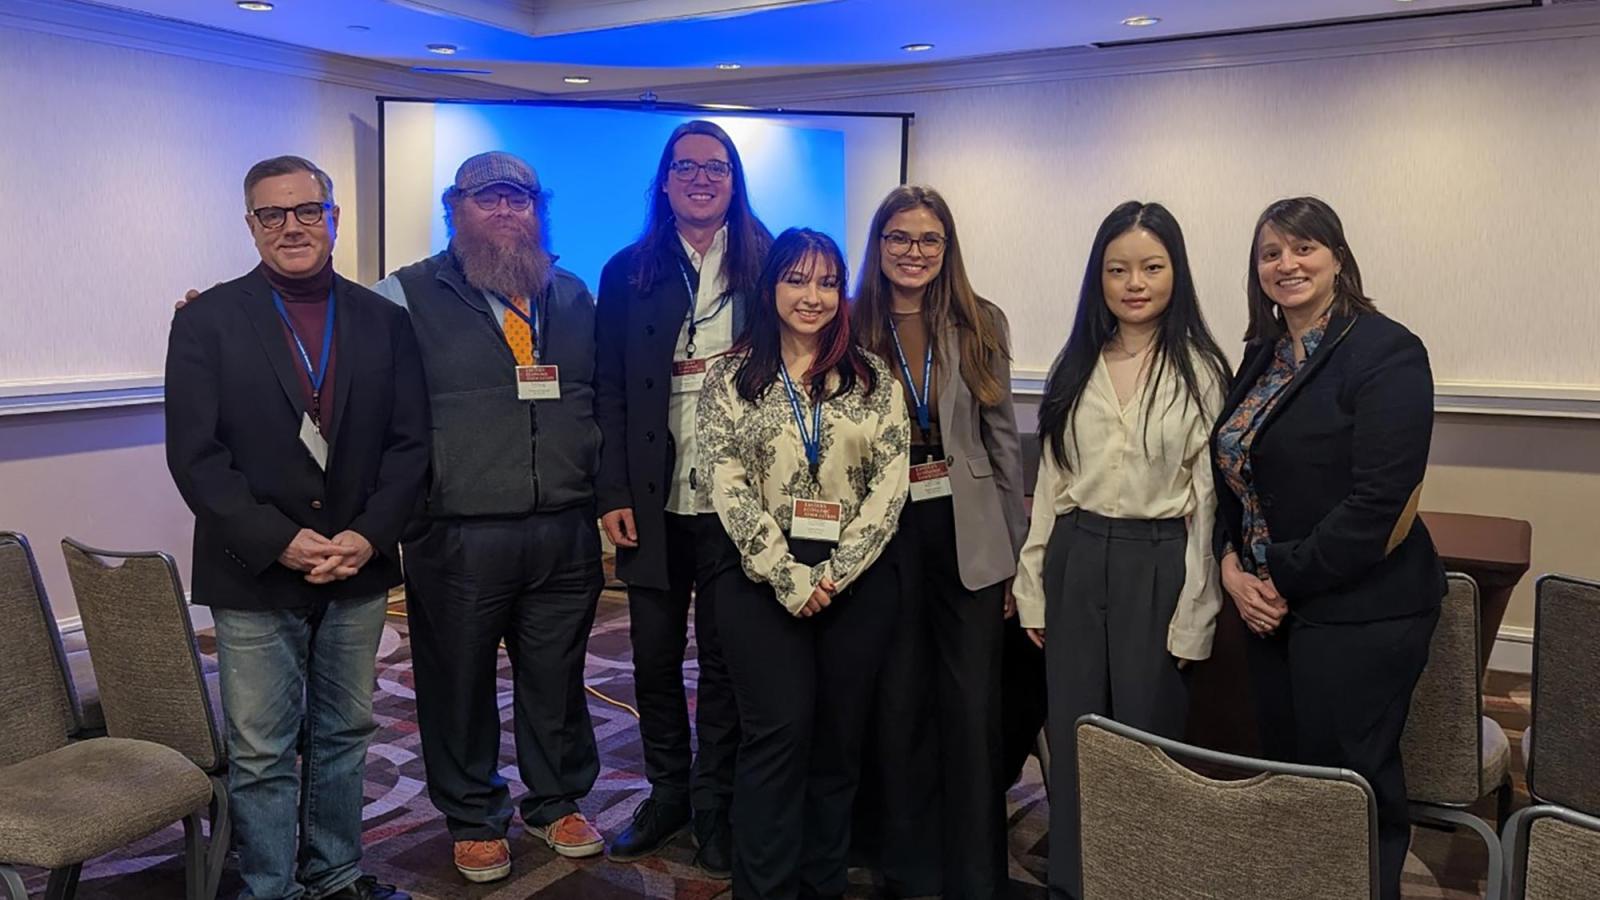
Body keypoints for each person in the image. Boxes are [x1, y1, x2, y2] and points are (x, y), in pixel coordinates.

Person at [165, 155, 427, 900]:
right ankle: (271, 887)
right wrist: (277, 539)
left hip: (358, 563)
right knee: (261, 750)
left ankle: (336, 873)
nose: (292, 227)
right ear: (250, 225)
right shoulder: (205, 321)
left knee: (346, 735)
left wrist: (370, 536)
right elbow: (196, 457)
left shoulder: (385, 321)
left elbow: (412, 446)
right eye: (272, 215)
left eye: (308, 210)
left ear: (334, 218)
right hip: (252, 569)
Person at [371, 152, 607, 881]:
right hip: (457, 530)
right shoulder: (401, 294)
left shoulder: (570, 295)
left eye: (521, 200)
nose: (506, 211)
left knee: (557, 675)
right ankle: (474, 816)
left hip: (563, 527)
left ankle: (557, 798)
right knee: (457, 679)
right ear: (455, 208)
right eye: (488, 199)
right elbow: (356, 386)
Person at [1212, 196, 1444, 900]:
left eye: (1304, 248)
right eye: (1270, 253)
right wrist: (1230, 565)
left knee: (1352, 788)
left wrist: (1277, 576)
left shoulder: (1387, 351)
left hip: (1359, 611)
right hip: (1268, 608)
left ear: (1338, 256)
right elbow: (1235, 480)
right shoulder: (1261, 354)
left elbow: (1377, 503)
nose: (1287, 265)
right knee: (1291, 781)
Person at [1016, 201, 1230, 900]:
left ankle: (1145, 881)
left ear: (1176, 272)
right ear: (1098, 279)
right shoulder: (1077, 363)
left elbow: (1207, 503)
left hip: (1159, 560)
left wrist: (1197, 610)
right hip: (1077, 556)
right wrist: (1033, 584)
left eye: (1151, 267)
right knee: (1076, 737)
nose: (1134, 282)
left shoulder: (1201, 369)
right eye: (1118, 269)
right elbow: (1051, 483)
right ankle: (1076, 885)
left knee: (1146, 740)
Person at [697, 228, 909, 899]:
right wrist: (788, 575)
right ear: (771, 287)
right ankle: (763, 887)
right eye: (796, 279)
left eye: (825, 281)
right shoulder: (729, 377)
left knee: (838, 743)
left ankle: (822, 883)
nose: (811, 296)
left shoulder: (873, 378)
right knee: (778, 733)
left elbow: (890, 486)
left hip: (855, 577)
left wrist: (836, 572)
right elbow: (724, 482)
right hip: (757, 575)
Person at [594, 120, 773, 876]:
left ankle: (717, 803)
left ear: (734, 183)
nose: (702, 178)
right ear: (664, 182)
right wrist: (609, 491)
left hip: (743, 503)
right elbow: (605, 386)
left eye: (717, 167)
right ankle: (668, 793)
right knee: (655, 659)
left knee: (729, 664)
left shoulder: (771, 265)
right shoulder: (626, 269)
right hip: (653, 498)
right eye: (687, 166)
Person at [848, 185, 1026, 898]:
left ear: (946, 249)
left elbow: (1003, 439)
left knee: (971, 705)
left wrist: (1017, 553)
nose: (913, 252)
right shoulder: (850, 321)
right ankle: (906, 865)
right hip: (883, 534)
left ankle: (974, 870)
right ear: (878, 244)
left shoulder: (980, 322)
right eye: (898, 238)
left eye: (928, 240)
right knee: (896, 703)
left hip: (971, 529)